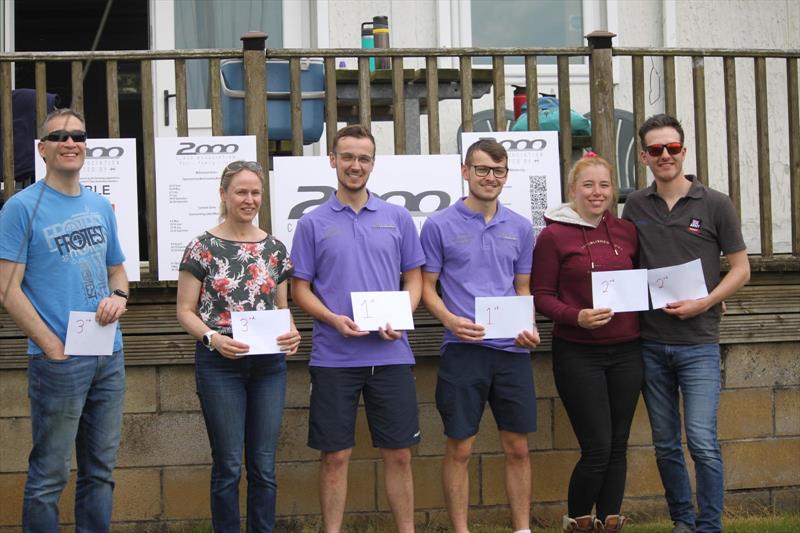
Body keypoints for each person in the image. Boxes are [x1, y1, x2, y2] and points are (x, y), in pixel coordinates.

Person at [290, 125, 425, 533]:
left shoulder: (397, 217)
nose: (355, 165)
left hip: (391, 355)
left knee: (400, 454)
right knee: (335, 456)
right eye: (347, 157)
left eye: (363, 158)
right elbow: (300, 289)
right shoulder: (312, 223)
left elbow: (415, 279)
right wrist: (332, 318)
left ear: (373, 164)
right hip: (334, 357)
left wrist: (401, 316)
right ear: (332, 160)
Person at [0, 108, 129, 531]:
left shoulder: (98, 204)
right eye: (58, 136)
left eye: (78, 135)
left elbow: (117, 270)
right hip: (59, 360)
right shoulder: (21, 209)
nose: (70, 142)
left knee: (100, 472)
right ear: (42, 149)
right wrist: (52, 346)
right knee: (49, 475)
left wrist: (120, 297)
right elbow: (7, 289)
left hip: (108, 355)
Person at [622, 114, 750, 533]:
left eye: (671, 148)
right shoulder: (636, 205)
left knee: (702, 442)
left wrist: (709, 301)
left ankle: (709, 525)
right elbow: (629, 265)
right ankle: (682, 521)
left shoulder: (715, 203)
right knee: (665, 444)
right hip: (651, 341)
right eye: (655, 150)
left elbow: (741, 268)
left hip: (698, 343)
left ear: (683, 151)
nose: (664, 156)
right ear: (644, 156)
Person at [420, 139, 540, 533]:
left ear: (507, 175)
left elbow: (522, 287)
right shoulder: (438, 225)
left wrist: (530, 324)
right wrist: (450, 322)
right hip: (463, 348)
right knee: (460, 447)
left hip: (511, 351)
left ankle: (522, 529)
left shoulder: (521, 227)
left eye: (498, 170)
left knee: (518, 447)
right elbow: (426, 287)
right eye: (483, 169)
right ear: (465, 171)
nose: (491, 177)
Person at [176, 160, 301, 533]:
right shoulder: (202, 247)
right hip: (220, 364)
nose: (249, 199)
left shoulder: (275, 249)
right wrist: (212, 338)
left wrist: (292, 333)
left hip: (267, 367)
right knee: (229, 464)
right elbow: (184, 310)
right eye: (241, 192)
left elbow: (282, 307)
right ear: (223, 195)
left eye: (255, 192)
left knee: (263, 465)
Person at [531, 153, 641, 533]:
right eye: (588, 185)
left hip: (628, 350)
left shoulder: (627, 231)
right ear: (573, 190)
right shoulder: (553, 235)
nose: (597, 193)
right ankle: (577, 523)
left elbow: (649, 280)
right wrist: (574, 316)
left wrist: (708, 293)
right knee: (597, 448)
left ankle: (609, 523)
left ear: (613, 191)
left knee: (619, 445)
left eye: (604, 185)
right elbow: (541, 294)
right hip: (578, 352)